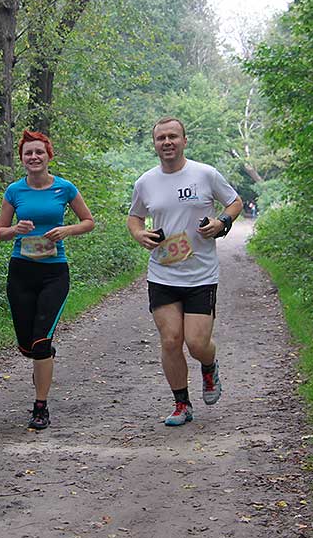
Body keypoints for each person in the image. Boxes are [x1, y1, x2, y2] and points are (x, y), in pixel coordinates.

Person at [127, 117, 243, 426]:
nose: (167, 142)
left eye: (173, 137)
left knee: (196, 343)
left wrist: (222, 223)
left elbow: (234, 202)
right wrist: (139, 234)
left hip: (201, 275)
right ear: (154, 144)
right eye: (160, 138)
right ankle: (181, 404)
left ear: (184, 141)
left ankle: (209, 365)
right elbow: (134, 218)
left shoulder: (205, 174)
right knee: (170, 340)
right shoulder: (146, 182)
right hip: (162, 273)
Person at [0, 130, 95, 430]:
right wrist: (16, 229)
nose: (34, 157)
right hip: (21, 272)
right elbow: (0, 231)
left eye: (39, 152)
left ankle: (40, 407)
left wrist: (66, 230)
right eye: (28, 153)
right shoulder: (15, 191)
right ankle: (42, 355)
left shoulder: (64, 188)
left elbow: (88, 222)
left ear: (48, 155)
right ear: (22, 158)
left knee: (40, 342)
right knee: (27, 345)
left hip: (54, 272)